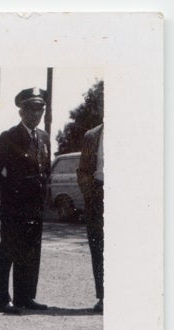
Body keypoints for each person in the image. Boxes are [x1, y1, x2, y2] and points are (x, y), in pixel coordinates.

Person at [0, 87, 53, 314]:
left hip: (35, 206)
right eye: (31, 109)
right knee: (9, 250)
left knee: (31, 251)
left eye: (40, 109)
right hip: (14, 206)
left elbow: (45, 170)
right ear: (21, 112)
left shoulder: (44, 138)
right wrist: (12, 191)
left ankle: (25, 297)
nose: (36, 114)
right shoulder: (9, 137)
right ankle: (2, 299)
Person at [77, 123, 104, 313]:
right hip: (98, 194)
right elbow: (83, 170)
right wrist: (90, 194)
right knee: (98, 247)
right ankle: (103, 296)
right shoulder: (91, 135)